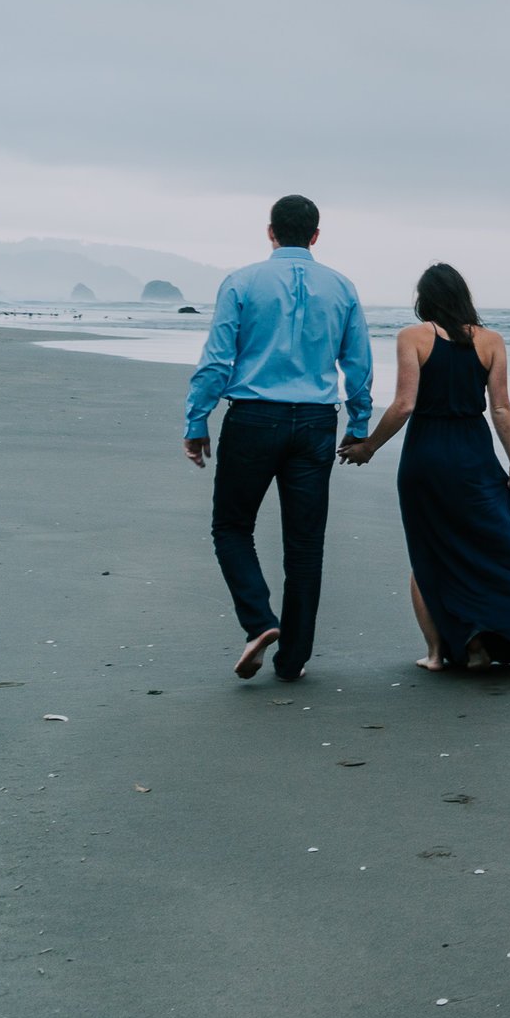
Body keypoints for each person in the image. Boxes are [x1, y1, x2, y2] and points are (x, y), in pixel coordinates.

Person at [185, 195, 373, 682]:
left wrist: (196, 420)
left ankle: (260, 623)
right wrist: (358, 423)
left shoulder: (242, 282)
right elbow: (357, 364)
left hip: (253, 419)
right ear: (315, 235)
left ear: (270, 232)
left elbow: (216, 360)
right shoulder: (343, 287)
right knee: (306, 545)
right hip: (315, 422)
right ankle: (293, 660)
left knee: (231, 527)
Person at [341, 264, 510, 671]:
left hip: (427, 454)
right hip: (476, 456)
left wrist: (371, 446)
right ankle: (483, 639)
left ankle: (437, 653)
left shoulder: (413, 337)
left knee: (428, 551)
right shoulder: (492, 342)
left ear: (424, 298)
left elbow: (404, 404)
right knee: (487, 549)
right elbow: (500, 406)